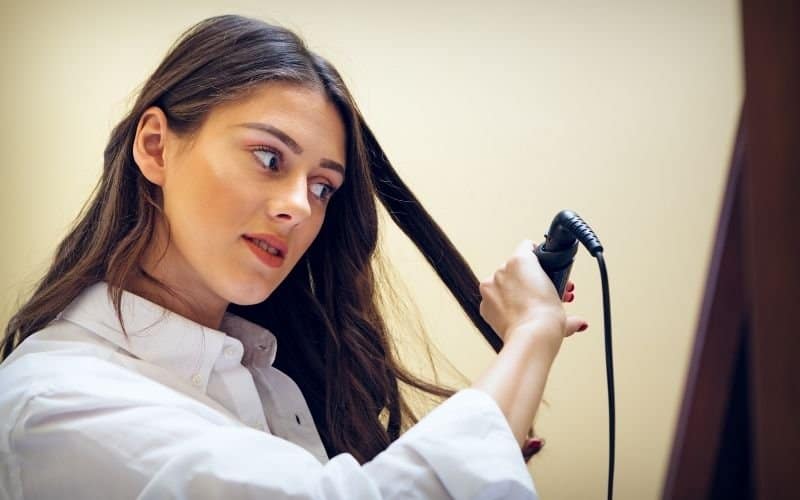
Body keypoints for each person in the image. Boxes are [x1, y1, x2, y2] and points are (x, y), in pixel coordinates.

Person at [0, 14, 589, 499]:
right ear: (156, 147)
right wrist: (532, 333)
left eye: (322, 187)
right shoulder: (56, 402)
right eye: (268, 157)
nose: (300, 208)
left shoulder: (267, 380)